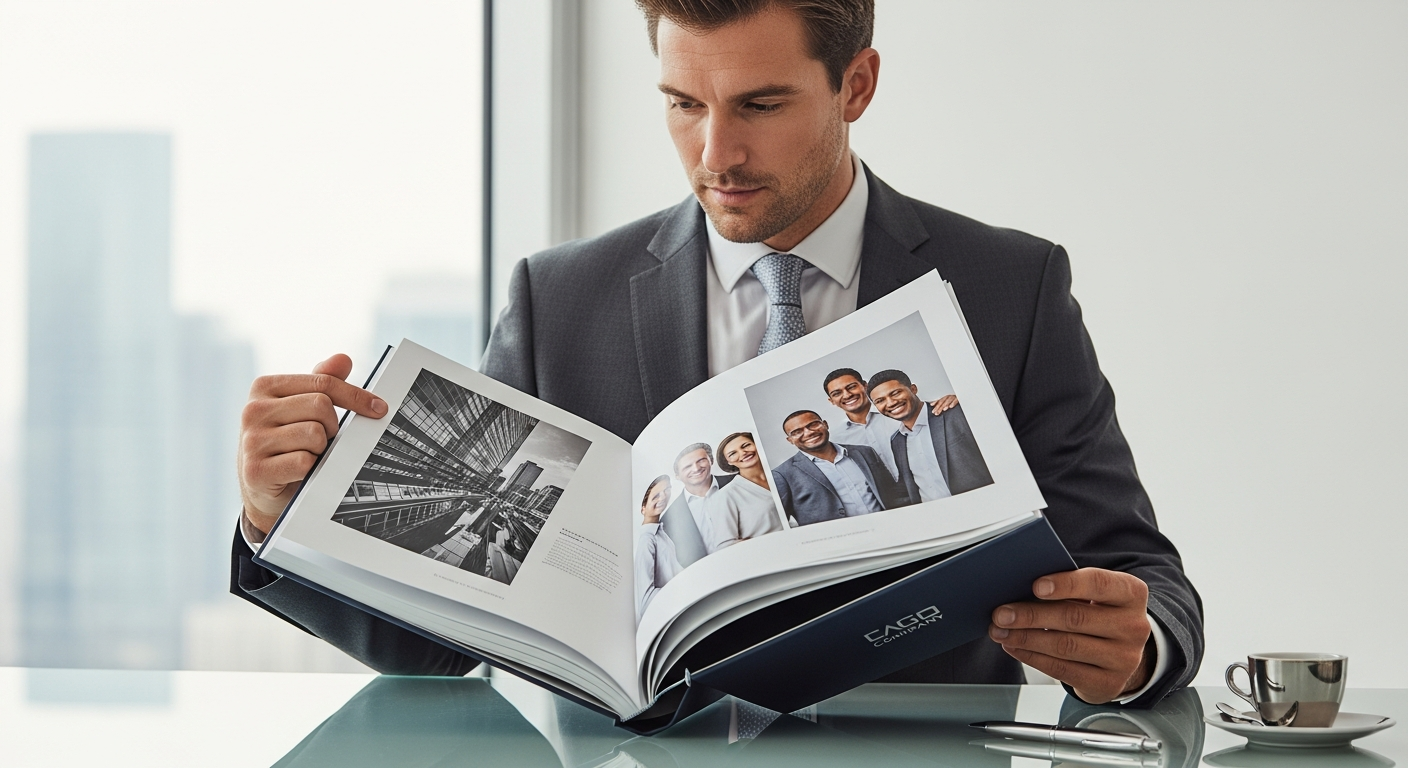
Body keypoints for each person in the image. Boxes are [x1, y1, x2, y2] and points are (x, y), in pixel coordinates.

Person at [232, 0, 1202, 706]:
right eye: (683, 105)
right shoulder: (558, 300)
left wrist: (1136, 646)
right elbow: (437, 644)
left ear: (855, 84)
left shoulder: (1008, 287)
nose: (714, 156)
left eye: (760, 106)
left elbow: (1141, 576)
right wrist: (281, 515)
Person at [867, 369, 993, 502]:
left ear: (913, 389)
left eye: (896, 393)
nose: (891, 403)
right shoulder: (896, 441)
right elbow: (908, 485)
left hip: (981, 504)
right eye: (880, 401)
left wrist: (966, 398)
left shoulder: (956, 412)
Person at [772, 410, 903, 525]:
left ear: (825, 424)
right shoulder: (782, 474)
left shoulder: (864, 452)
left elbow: (893, 492)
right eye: (797, 432)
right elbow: (780, 523)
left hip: (887, 527)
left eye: (813, 424)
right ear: (790, 440)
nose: (808, 433)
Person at [824, 367, 956, 480]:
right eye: (837, 393)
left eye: (852, 387)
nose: (847, 395)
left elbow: (927, 412)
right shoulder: (835, 439)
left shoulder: (900, 413)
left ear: (865, 386)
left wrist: (957, 398)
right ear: (831, 401)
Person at [703, 432, 784, 549]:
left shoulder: (781, 475)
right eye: (732, 454)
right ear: (729, 462)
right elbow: (726, 545)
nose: (743, 453)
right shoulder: (725, 495)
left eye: (746, 445)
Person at [659, 442, 734, 566]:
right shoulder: (668, 519)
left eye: (701, 460)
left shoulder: (738, 481)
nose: (696, 468)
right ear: (677, 476)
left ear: (711, 461)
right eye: (687, 466)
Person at [634, 475, 681, 619]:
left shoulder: (661, 533)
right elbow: (645, 601)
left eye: (666, 490)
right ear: (643, 508)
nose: (662, 498)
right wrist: (682, 589)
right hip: (666, 615)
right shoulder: (646, 540)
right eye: (655, 496)